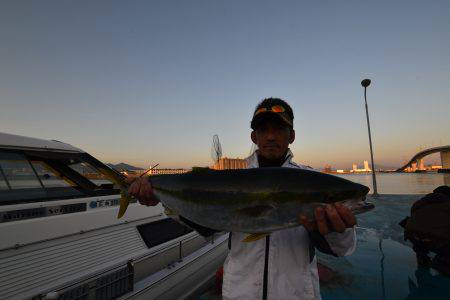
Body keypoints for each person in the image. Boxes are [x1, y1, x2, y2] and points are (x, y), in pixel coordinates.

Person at [128, 98, 358, 299]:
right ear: (253, 136)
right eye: (263, 130)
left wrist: (336, 229)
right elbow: (208, 227)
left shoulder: (311, 180)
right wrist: (162, 200)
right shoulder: (231, 176)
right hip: (240, 293)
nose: (270, 136)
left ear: (292, 136)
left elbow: (342, 250)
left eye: (279, 129)